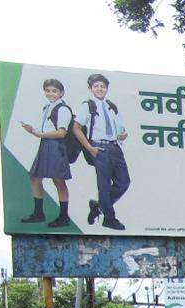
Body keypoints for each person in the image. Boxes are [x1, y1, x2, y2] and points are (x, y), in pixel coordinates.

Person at [72, 73, 130, 231]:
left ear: (107, 88)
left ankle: (98, 206)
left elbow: (121, 130)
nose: (100, 89)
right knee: (104, 185)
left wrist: (123, 135)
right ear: (90, 88)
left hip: (115, 147)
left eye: (102, 86)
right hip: (99, 147)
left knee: (124, 182)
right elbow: (76, 128)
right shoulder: (87, 106)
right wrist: (90, 147)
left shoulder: (112, 107)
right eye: (96, 86)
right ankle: (109, 218)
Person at [19, 78, 72, 228]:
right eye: (48, 91)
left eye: (54, 91)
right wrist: (34, 131)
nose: (50, 93)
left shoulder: (62, 109)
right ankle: (38, 213)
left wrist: (38, 134)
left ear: (61, 93)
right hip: (46, 144)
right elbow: (46, 129)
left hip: (55, 146)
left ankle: (63, 216)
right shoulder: (47, 107)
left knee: (58, 180)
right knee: (35, 178)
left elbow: (61, 133)